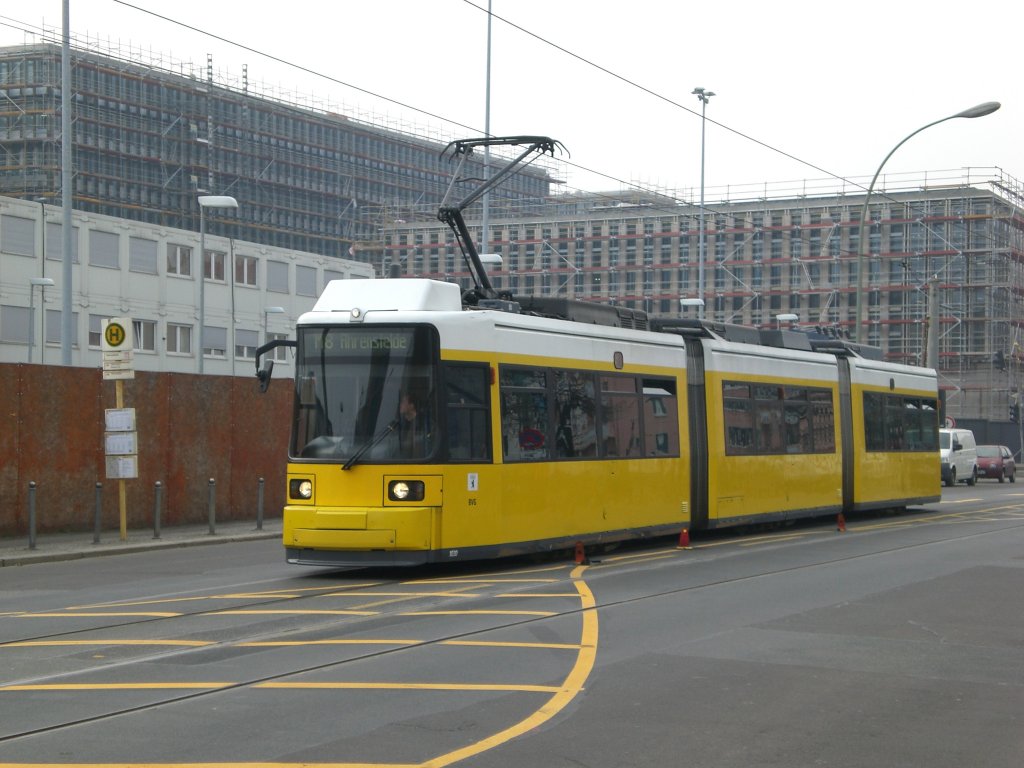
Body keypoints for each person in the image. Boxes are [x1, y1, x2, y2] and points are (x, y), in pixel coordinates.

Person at [397, 389, 430, 458]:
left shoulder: (424, 422)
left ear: (411, 405)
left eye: (403, 402)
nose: (400, 405)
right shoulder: (398, 423)